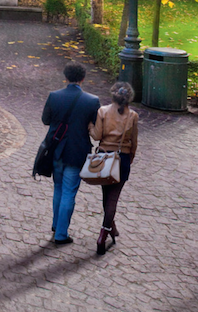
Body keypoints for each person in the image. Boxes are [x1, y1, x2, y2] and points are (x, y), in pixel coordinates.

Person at [41, 61, 100, 245]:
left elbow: (45, 120)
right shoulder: (92, 101)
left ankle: (55, 224)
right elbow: (96, 126)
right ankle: (61, 233)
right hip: (77, 151)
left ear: (65, 77)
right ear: (83, 79)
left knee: (58, 188)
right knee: (69, 192)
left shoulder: (54, 96)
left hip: (57, 150)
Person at [88, 82, 139, 255]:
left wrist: (89, 126)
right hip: (122, 158)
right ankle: (105, 232)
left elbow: (97, 135)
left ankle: (109, 228)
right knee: (113, 198)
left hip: (104, 157)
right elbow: (134, 142)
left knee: (106, 195)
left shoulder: (102, 111)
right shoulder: (133, 116)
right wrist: (129, 158)